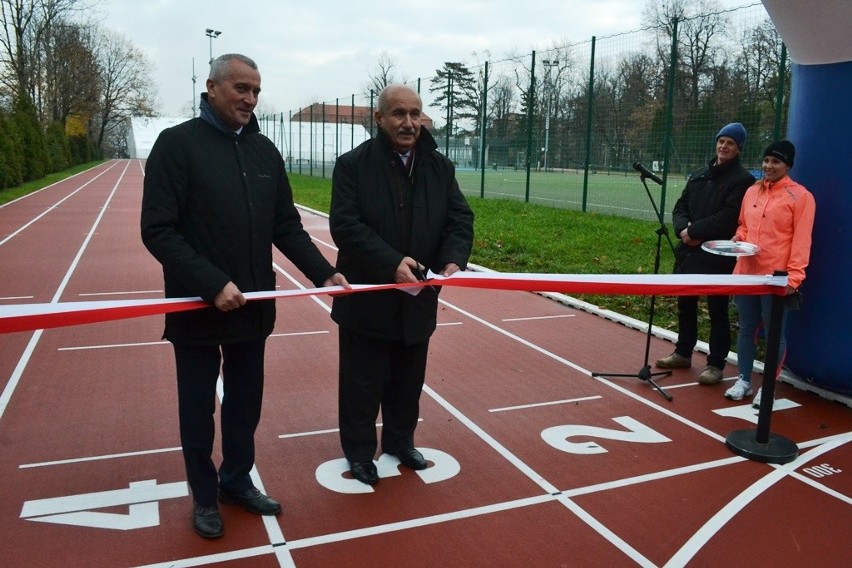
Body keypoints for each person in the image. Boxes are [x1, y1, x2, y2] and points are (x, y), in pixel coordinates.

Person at [140, 53, 349, 538]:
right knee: (197, 410)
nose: (250, 99)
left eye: (256, 90)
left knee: (244, 403)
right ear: (212, 87)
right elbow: (159, 231)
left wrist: (323, 273)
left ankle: (236, 480)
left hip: (252, 309)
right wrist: (211, 284)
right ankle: (205, 496)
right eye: (240, 88)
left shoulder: (263, 151)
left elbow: (286, 226)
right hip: (195, 308)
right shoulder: (176, 146)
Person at [329, 84, 474, 486]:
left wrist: (452, 259)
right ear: (379, 119)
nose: (408, 122)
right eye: (398, 114)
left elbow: (460, 220)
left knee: (408, 379)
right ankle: (359, 453)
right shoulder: (352, 165)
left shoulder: (440, 167)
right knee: (362, 383)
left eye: (415, 114)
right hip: (367, 300)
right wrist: (392, 263)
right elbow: (345, 226)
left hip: (419, 299)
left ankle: (399, 440)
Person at [655, 123, 755, 384]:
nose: (723, 147)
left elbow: (729, 217)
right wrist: (682, 231)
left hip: (717, 256)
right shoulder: (699, 174)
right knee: (685, 305)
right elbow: (681, 206)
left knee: (717, 310)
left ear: (738, 148)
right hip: (688, 252)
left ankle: (715, 364)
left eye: (730, 143)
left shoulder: (743, 180)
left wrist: (695, 231)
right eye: (721, 141)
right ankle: (683, 352)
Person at [724, 140, 815, 405]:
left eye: (776, 162)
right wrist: (738, 239)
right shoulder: (752, 192)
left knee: (775, 333)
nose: (768, 166)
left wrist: (794, 278)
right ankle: (743, 380)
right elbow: (743, 226)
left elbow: (801, 241)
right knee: (746, 328)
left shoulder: (802, 197)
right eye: (766, 161)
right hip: (746, 274)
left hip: (775, 278)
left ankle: (768, 386)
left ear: (788, 165)